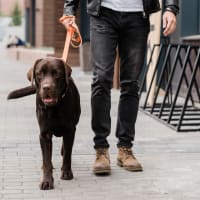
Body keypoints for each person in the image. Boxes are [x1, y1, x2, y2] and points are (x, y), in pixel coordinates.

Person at [62, 0, 179, 174]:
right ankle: (101, 149)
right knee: (101, 79)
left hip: (138, 16)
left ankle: (125, 148)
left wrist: (171, 8)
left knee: (131, 83)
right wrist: (69, 8)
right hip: (103, 13)